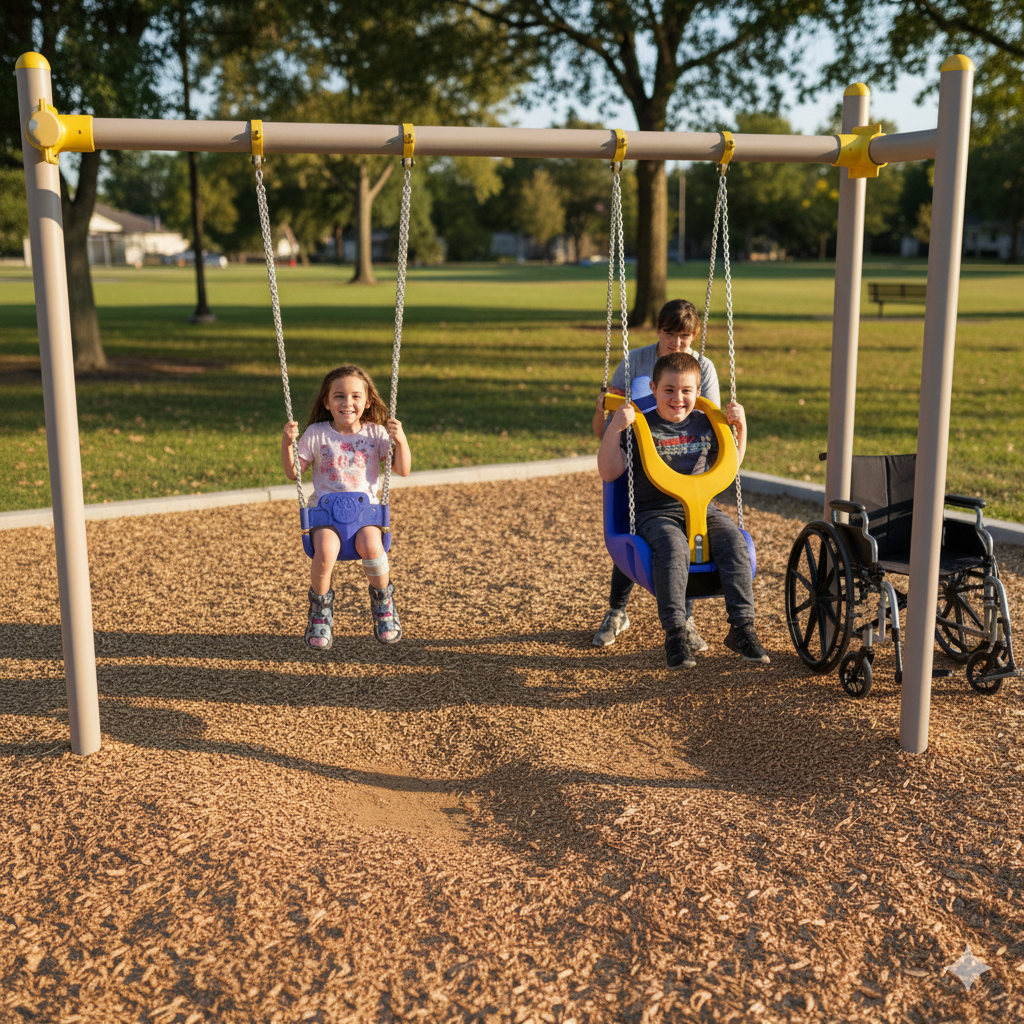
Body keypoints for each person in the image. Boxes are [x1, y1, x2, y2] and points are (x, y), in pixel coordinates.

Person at [597, 350, 769, 669]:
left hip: (703, 510)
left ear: (698, 392)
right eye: (669, 390)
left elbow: (729, 467)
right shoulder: (640, 426)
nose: (678, 398)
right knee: (674, 547)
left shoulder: (706, 423)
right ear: (653, 389)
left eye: (686, 390)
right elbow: (609, 473)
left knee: (734, 541)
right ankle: (676, 634)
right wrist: (615, 428)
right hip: (655, 512)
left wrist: (741, 428)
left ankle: (742, 628)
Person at [591, 298, 720, 652]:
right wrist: (603, 411)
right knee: (631, 533)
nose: (677, 343)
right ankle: (617, 611)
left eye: (685, 336)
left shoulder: (703, 367)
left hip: (684, 464)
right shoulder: (636, 362)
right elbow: (603, 429)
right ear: (658, 331)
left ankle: (686, 621)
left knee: (687, 539)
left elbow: (708, 420)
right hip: (639, 466)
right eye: (670, 334)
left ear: (694, 336)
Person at [282, 364, 411, 651]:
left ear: (368, 402)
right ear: (327, 402)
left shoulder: (376, 434)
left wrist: (400, 439)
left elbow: (402, 469)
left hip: (365, 515)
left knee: (373, 547)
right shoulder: (316, 433)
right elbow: (294, 472)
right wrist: (287, 443)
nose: (347, 402)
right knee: (325, 550)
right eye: (339, 396)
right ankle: (320, 611)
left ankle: (383, 604)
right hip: (326, 514)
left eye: (355, 396)